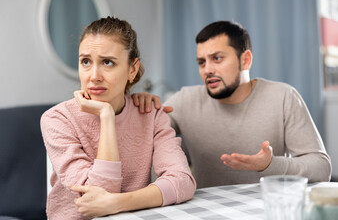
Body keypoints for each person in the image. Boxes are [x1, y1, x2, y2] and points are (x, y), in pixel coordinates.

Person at [132, 20, 332, 188]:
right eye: (201, 62)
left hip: (266, 208)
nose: (207, 69)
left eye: (217, 58)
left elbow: (321, 168)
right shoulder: (185, 100)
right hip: (206, 212)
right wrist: (141, 108)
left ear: (245, 60)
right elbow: (143, 139)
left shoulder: (283, 97)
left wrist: (270, 164)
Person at [41, 16, 196, 220]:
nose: (94, 75)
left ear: (132, 69)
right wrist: (106, 116)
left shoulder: (150, 113)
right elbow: (96, 196)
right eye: (85, 61)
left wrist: (118, 203)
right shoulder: (57, 119)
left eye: (107, 62)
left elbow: (183, 181)